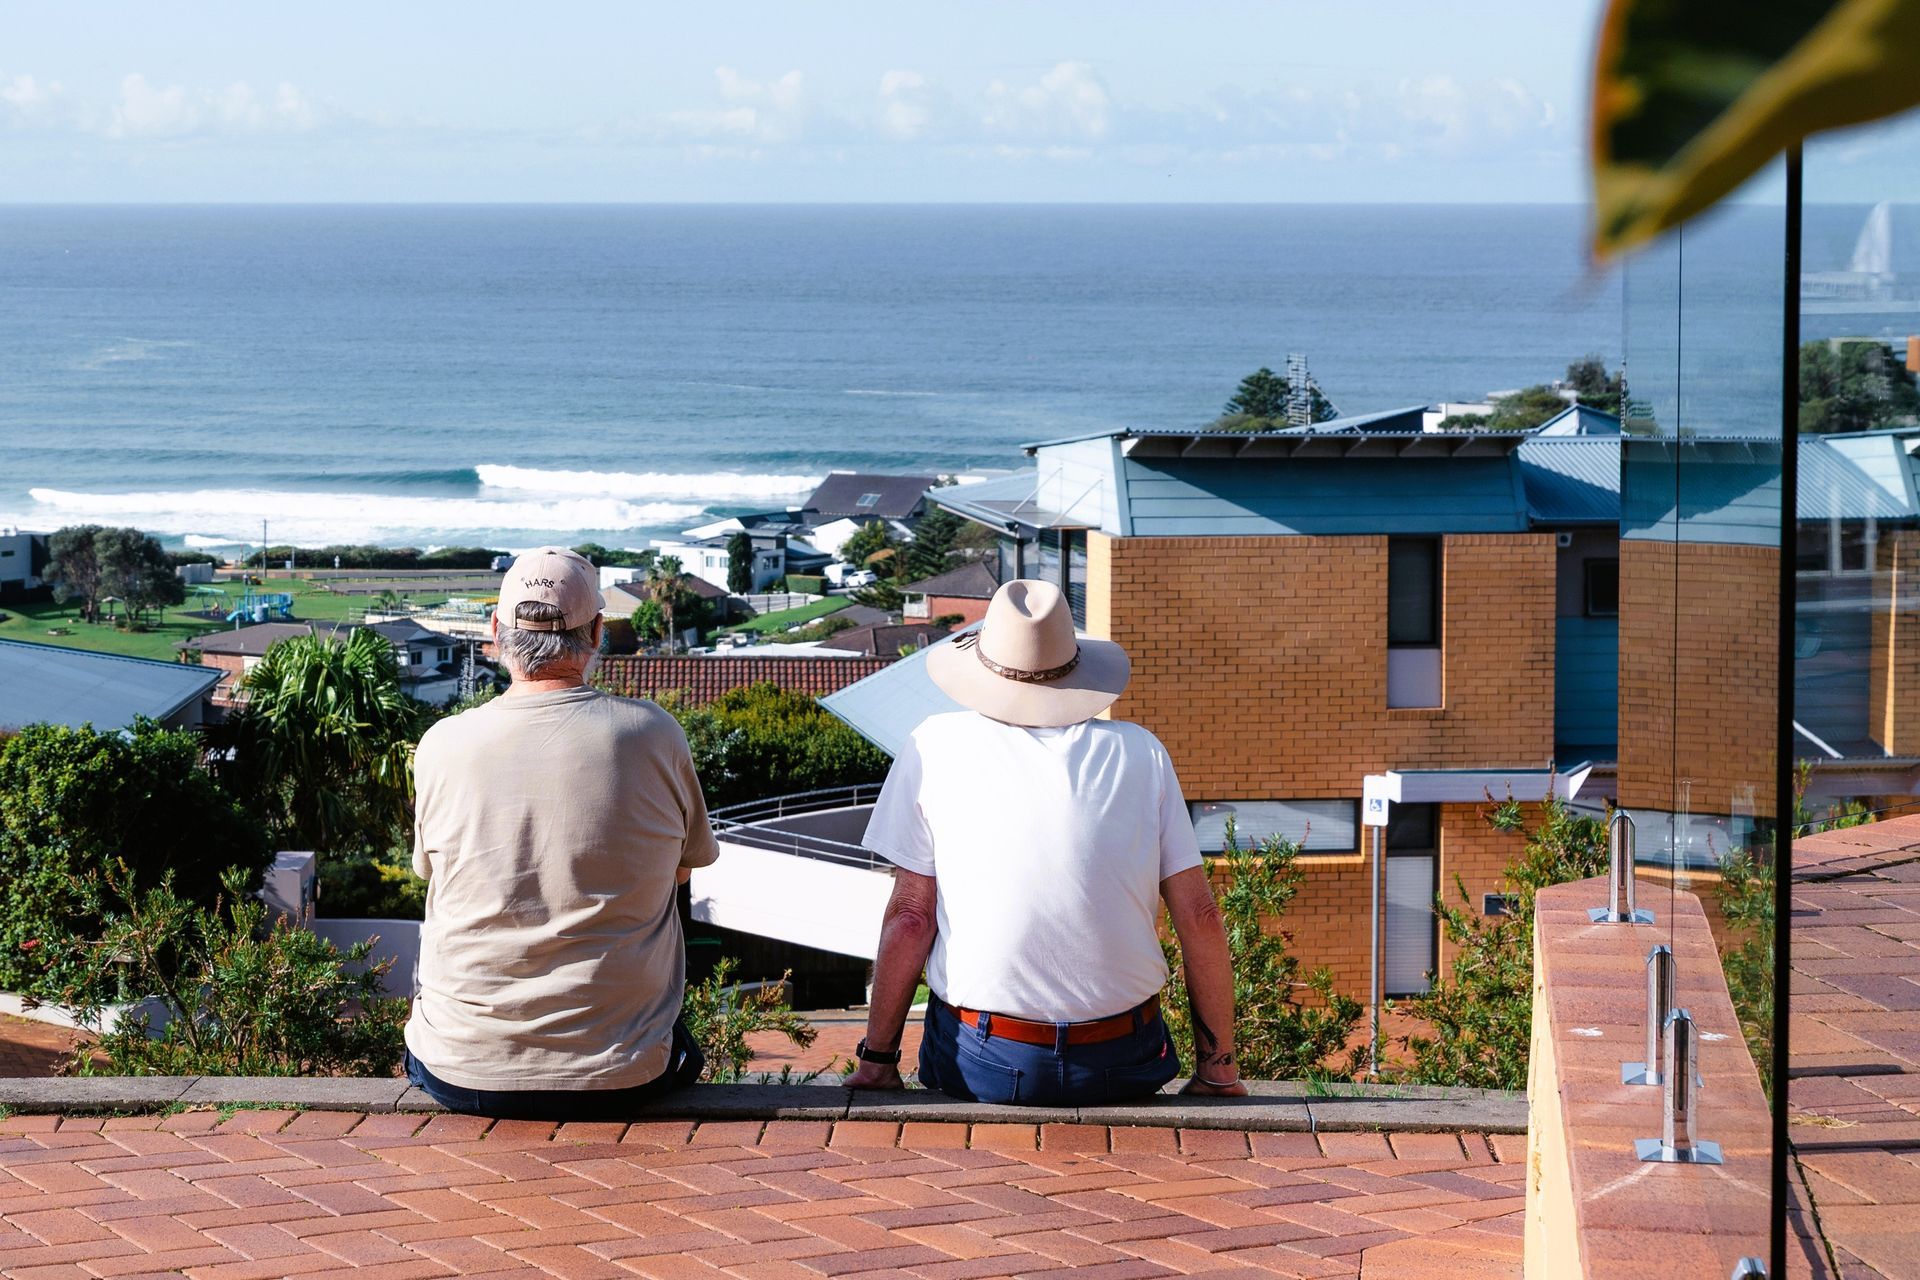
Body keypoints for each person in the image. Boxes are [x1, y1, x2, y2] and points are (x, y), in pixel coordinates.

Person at [845, 579, 1246, 1106]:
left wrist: (877, 1061)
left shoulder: (934, 744)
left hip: (987, 1059)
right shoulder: (1141, 752)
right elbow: (1200, 915)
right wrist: (1218, 1069)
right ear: (1075, 670)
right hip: (1127, 1058)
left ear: (984, 668)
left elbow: (911, 918)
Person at [403, 546, 718, 1120]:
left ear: (496, 631)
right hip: (624, 1069)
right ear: (597, 631)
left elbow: (430, 869)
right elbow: (682, 868)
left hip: (460, 1067)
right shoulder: (652, 735)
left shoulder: (442, 743)